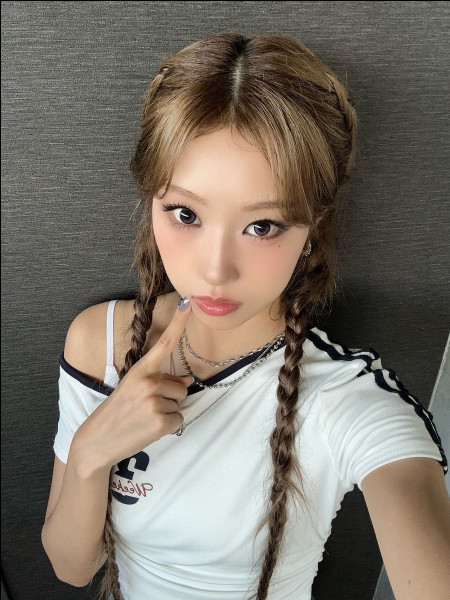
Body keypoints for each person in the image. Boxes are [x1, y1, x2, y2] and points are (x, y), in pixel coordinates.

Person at [41, 32, 449, 600]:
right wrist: (90, 454)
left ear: (312, 226)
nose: (215, 270)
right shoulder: (99, 340)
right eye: (185, 214)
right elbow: (70, 566)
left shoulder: (342, 399)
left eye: (262, 226)